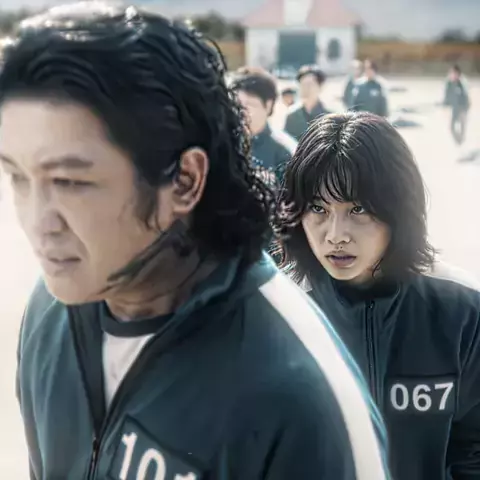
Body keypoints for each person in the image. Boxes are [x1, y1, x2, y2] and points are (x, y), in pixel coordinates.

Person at [1, 4, 390, 479]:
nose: (37, 221)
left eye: (69, 182)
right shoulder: (50, 311)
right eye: (17, 177)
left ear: (184, 181)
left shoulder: (300, 397)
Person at [275, 111, 480, 480]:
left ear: (398, 208)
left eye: (358, 209)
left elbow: (474, 451)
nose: (335, 234)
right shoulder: (279, 314)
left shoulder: (463, 311)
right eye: (319, 209)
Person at [231, 69, 297, 190]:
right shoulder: (226, 143)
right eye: (237, 104)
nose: (242, 111)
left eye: (249, 105)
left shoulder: (284, 151)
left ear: (268, 105)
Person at [284, 64, 330, 141]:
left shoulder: (330, 116)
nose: (305, 88)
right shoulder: (292, 116)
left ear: (320, 87)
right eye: (302, 84)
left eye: (309, 84)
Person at [443, 64, 470, 145]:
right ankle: (458, 139)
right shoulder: (449, 82)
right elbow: (447, 94)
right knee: (452, 126)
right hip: (455, 107)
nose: (452, 75)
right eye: (451, 73)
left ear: (458, 73)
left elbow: (465, 93)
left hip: (463, 107)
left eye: (454, 73)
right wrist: (446, 102)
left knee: (462, 124)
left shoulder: (462, 82)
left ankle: (461, 139)